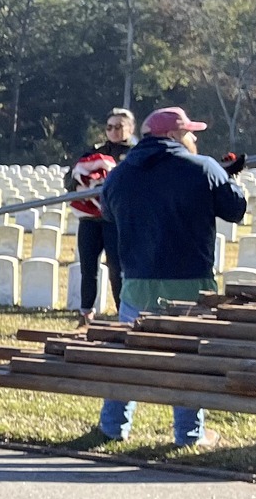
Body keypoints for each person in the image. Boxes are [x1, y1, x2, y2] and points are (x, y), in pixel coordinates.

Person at [96, 106, 248, 449]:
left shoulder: (120, 174)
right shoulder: (203, 167)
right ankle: (189, 433)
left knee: (128, 355)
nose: (193, 137)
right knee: (189, 360)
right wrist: (228, 178)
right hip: (189, 280)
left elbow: (108, 212)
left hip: (137, 279)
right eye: (190, 132)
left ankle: (112, 426)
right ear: (175, 135)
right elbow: (234, 209)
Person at [64, 108, 133, 325]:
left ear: (130, 129)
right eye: (109, 127)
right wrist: (82, 182)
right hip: (90, 220)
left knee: (117, 269)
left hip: (116, 220)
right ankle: (86, 313)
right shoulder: (93, 153)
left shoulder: (135, 154)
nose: (113, 131)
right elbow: (71, 178)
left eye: (118, 127)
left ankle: (123, 313)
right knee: (88, 268)